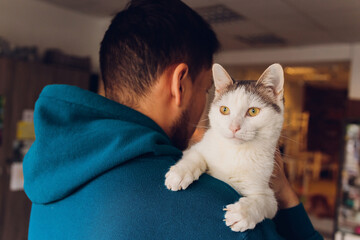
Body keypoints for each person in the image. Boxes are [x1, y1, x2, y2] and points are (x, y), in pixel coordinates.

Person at [23, 0, 323, 239]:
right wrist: (287, 198)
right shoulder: (219, 209)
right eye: (207, 90)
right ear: (179, 85)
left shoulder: (49, 181)